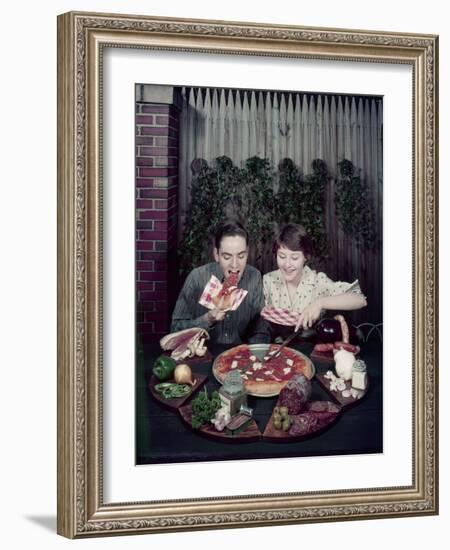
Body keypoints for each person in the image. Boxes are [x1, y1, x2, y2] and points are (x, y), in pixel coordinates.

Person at [171, 221, 270, 344]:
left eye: (241, 256)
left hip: (239, 356)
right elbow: (175, 330)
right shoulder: (196, 278)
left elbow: (260, 330)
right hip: (203, 355)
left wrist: (252, 355)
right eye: (227, 257)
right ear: (216, 254)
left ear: (247, 252)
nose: (235, 265)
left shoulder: (254, 277)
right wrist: (207, 319)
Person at [263, 223, 367, 332]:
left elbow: (359, 298)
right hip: (277, 347)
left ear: (305, 257)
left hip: (311, 346)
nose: (287, 264)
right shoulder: (268, 280)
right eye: (282, 256)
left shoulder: (318, 282)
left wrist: (319, 303)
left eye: (294, 258)